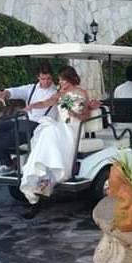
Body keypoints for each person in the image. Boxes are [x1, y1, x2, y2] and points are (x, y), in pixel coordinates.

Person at [17, 66, 91, 205]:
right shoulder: (60, 94)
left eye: (63, 80)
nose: (61, 83)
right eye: (60, 80)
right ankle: (40, 178)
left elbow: (86, 115)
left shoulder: (82, 93)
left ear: (71, 79)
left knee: (51, 131)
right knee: (48, 130)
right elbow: (46, 103)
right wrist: (32, 106)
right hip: (61, 126)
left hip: (74, 127)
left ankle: (49, 177)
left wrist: (75, 114)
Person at [0, 62, 57, 171]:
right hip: (25, 121)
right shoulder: (31, 88)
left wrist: (31, 106)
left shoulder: (56, 92)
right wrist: (5, 94)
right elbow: (16, 91)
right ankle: (6, 161)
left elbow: (46, 103)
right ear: (38, 77)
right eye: (43, 79)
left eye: (49, 78)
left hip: (39, 126)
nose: (46, 82)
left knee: (12, 135)